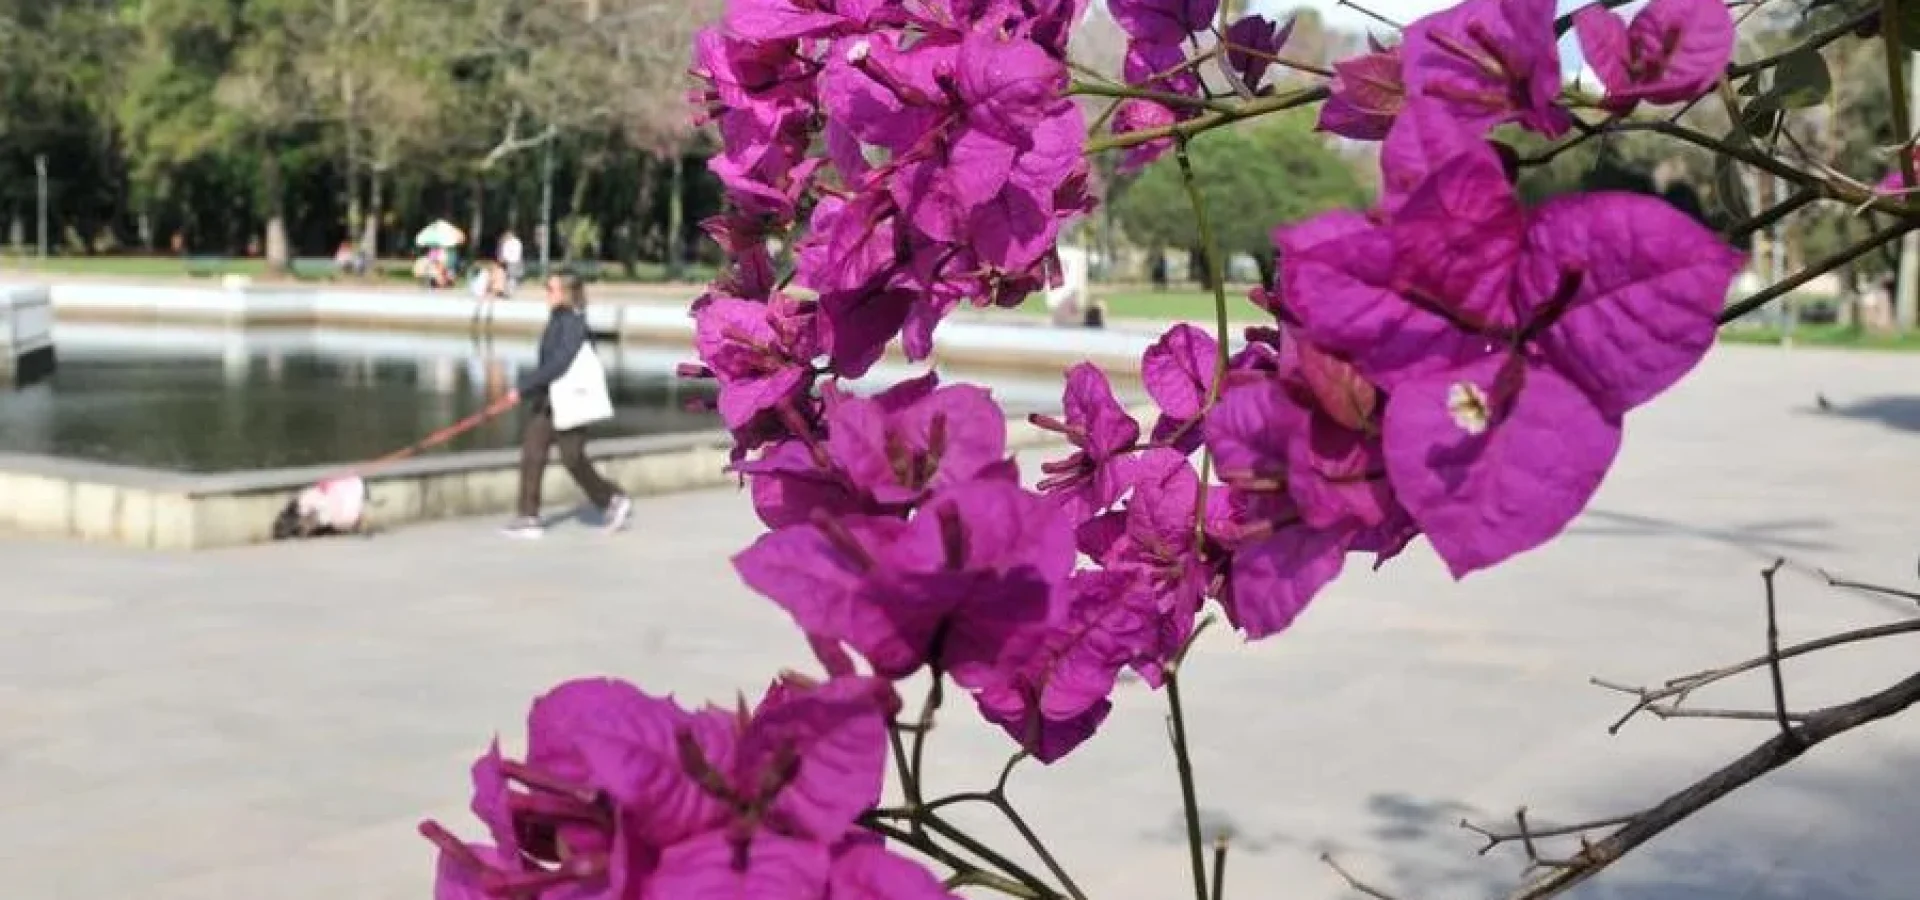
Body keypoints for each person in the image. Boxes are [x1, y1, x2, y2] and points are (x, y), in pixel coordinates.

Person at [501, 273, 631, 538]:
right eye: (546, 287)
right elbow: (550, 363)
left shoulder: (573, 323)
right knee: (532, 453)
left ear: (567, 293)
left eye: (551, 288)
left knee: (572, 458)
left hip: (570, 400)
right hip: (547, 401)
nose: (546, 293)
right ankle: (529, 517)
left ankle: (612, 498)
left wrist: (523, 387)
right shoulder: (557, 319)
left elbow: (560, 362)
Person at [498, 229, 525, 295]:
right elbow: (519, 252)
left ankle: (509, 291)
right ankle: (510, 291)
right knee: (513, 277)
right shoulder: (518, 242)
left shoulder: (508, 242)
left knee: (509, 276)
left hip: (509, 261)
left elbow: (505, 253)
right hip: (517, 260)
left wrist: (502, 259)